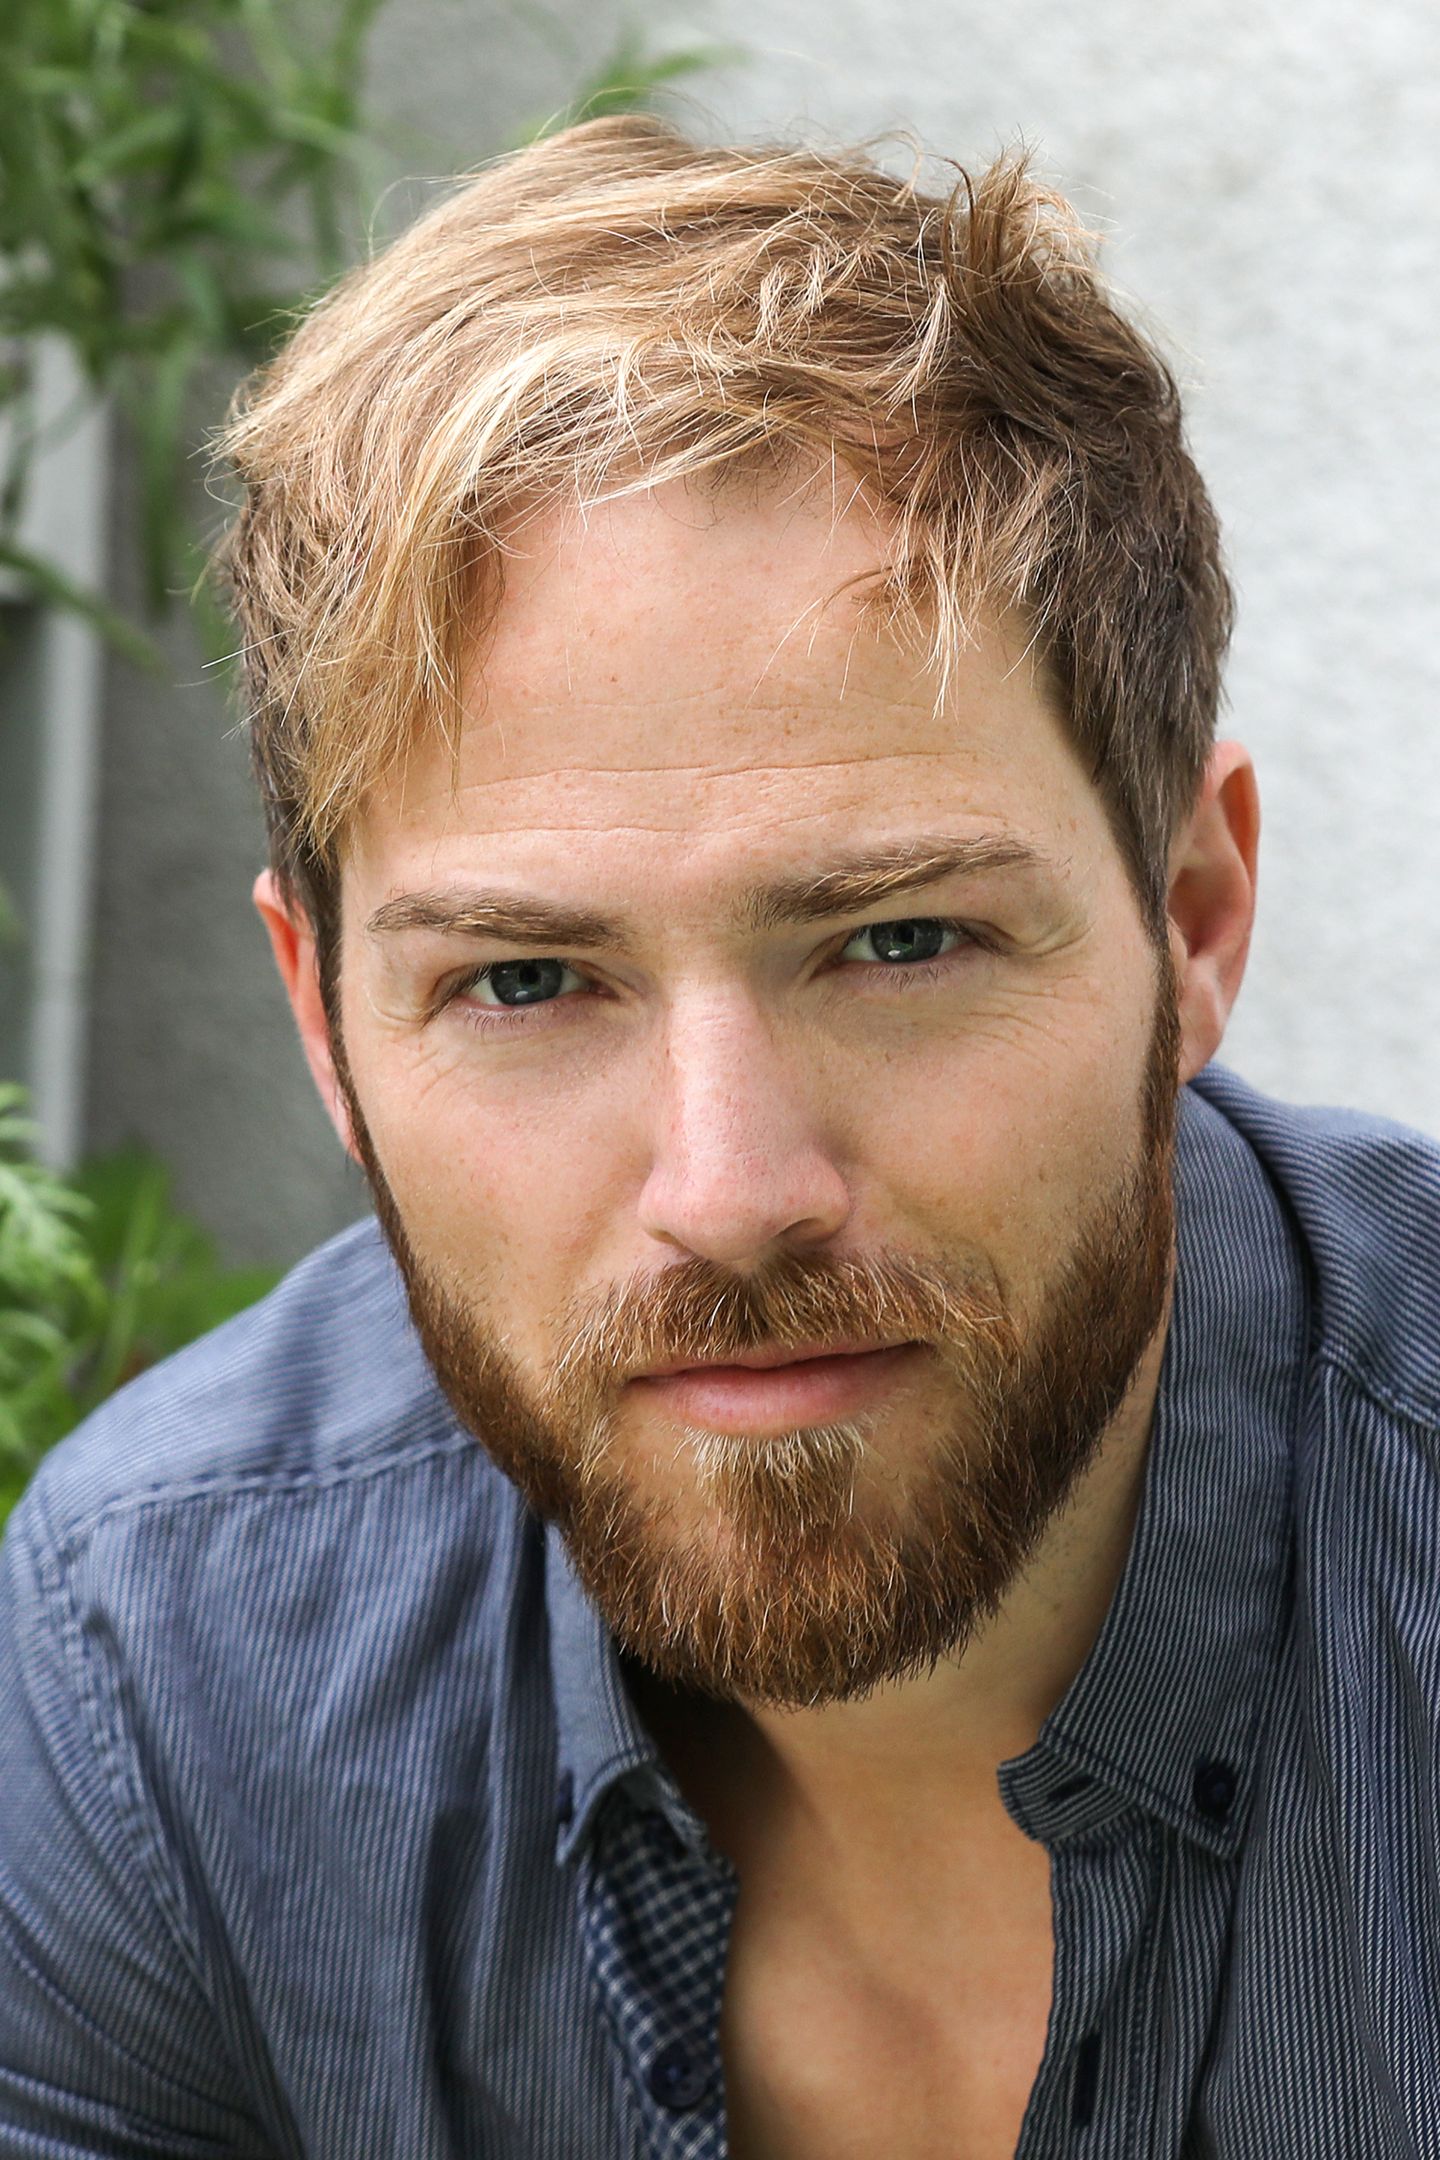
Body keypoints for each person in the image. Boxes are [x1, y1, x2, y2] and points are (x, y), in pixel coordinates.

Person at [2, 113, 1438, 2160]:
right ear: (324, 1024)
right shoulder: (164, 1666)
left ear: (1192, 923)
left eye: (901, 940)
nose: (731, 1192)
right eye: (525, 981)